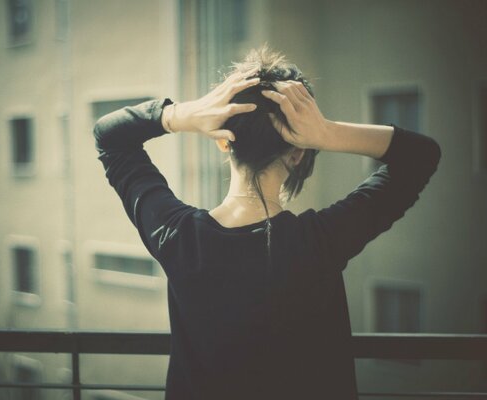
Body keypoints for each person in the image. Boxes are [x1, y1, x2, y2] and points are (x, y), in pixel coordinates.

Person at [93, 45, 441, 400]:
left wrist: (184, 114)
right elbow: (421, 156)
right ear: (297, 151)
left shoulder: (177, 237)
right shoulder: (320, 243)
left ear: (223, 143)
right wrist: (325, 132)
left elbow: (110, 137)